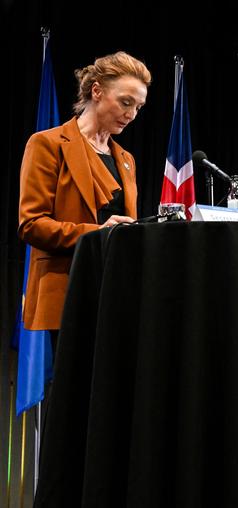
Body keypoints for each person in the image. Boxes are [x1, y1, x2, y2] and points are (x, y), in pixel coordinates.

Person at [18, 51, 151, 333]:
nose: (131, 114)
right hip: (71, 288)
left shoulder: (126, 160)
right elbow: (31, 224)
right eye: (126, 102)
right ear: (97, 91)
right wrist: (95, 234)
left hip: (119, 290)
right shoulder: (47, 144)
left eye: (138, 107)